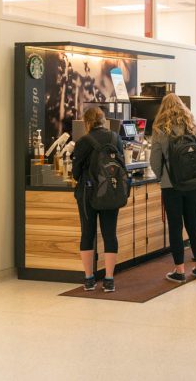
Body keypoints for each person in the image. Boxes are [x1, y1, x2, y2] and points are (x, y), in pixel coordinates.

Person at [151, 94, 196, 283]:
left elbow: (154, 161)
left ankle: (179, 271)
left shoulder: (160, 129)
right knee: (194, 224)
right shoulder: (194, 126)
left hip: (171, 185)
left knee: (175, 227)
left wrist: (162, 178)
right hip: (194, 184)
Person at [72, 106, 125, 293]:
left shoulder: (84, 141)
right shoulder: (115, 138)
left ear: (86, 122)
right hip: (111, 191)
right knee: (110, 234)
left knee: (88, 233)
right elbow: (122, 165)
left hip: (88, 194)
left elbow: (76, 172)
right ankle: (109, 279)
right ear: (103, 120)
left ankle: (89, 279)